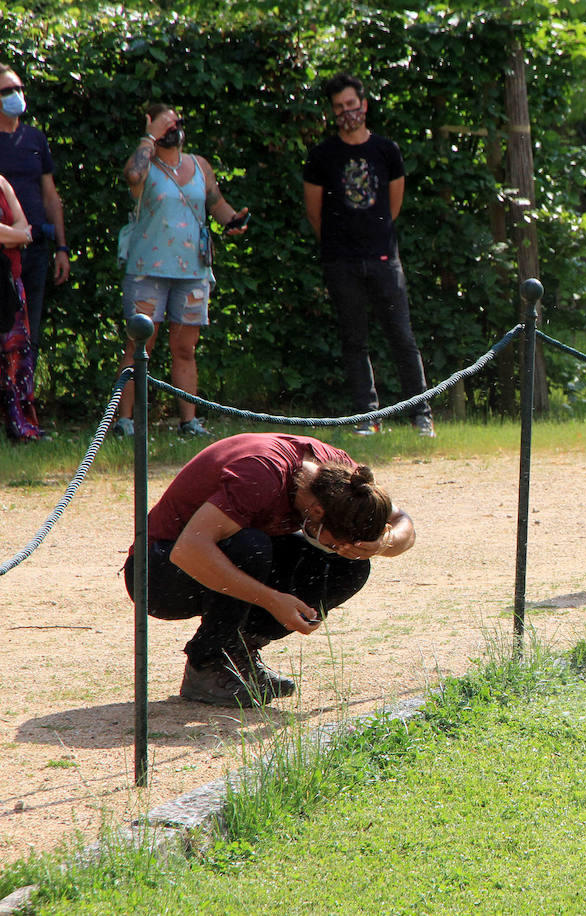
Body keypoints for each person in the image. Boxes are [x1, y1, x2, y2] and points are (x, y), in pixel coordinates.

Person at [125, 432, 416, 706]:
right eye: (338, 542)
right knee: (252, 545)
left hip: (211, 556)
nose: (338, 548)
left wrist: (382, 542)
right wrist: (272, 600)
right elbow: (188, 550)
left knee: (349, 567)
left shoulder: (345, 483)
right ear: (317, 513)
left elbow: (403, 521)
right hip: (155, 572)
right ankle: (208, 663)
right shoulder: (262, 475)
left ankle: (239, 654)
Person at [303, 73, 434, 438]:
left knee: (401, 336)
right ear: (332, 111)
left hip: (383, 260)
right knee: (354, 339)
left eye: (351, 104)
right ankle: (366, 416)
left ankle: (420, 414)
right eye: (339, 107)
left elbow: (393, 206)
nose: (347, 112)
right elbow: (315, 213)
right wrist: (339, 244)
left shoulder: (387, 151)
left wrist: (374, 240)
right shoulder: (322, 156)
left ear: (364, 104)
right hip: (341, 261)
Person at [114, 103, 249, 438]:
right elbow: (132, 176)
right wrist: (150, 135)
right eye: (165, 124)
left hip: (193, 272)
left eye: (176, 122)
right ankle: (124, 421)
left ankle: (189, 422)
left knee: (185, 349)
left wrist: (233, 221)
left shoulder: (199, 165)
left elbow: (215, 203)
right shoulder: (145, 166)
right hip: (147, 269)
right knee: (138, 347)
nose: (173, 128)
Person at [0, 64, 69, 384]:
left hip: (37, 249)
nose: (15, 96)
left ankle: (24, 406)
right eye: (6, 91)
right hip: (3, 249)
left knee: (31, 330)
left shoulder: (35, 138)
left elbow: (51, 195)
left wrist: (62, 248)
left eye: (18, 89)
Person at [0, 172, 42, 440]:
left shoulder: (2, 182)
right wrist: (16, 234)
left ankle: (21, 428)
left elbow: (25, 228)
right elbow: (21, 232)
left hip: (8, 282)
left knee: (16, 357)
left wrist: (13, 235)